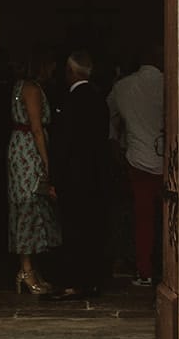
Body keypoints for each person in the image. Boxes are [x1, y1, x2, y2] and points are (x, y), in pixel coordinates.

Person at [50, 49, 111, 298]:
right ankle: (94, 280)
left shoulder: (69, 102)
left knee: (73, 230)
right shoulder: (100, 100)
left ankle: (74, 282)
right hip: (97, 175)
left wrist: (54, 178)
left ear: (71, 72)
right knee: (93, 228)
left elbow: (63, 145)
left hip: (73, 177)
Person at [7, 46, 61, 294]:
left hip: (21, 147)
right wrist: (46, 160)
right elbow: (37, 127)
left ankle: (31, 267)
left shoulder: (22, 85)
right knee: (28, 205)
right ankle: (26, 270)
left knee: (30, 204)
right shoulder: (31, 89)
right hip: (28, 150)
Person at [108, 49, 164, 287]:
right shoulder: (169, 83)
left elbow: (109, 116)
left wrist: (116, 144)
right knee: (171, 217)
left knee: (143, 219)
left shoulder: (123, 87)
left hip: (138, 159)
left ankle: (144, 270)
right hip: (169, 160)